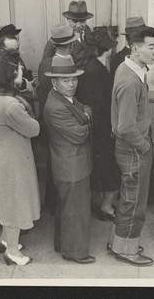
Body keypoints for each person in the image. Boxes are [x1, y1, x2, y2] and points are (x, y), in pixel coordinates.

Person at [0, 51, 41, 266]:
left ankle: (5, 239)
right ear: (8, 76)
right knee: (16, 202)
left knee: (6, 200)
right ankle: (13, 252)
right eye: (18, 70)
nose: (21, 71)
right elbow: (34, 129)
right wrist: (26, 105)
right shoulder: (11, 106)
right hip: (15, 159)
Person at [108, 25, 154, 266]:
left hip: (130, 147)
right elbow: (126, 127)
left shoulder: (129, 68)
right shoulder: (130, 81)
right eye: (152, 46)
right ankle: (126, 249)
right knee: (134, 201)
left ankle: (119, 242)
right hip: (134, 148)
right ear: (136, 48)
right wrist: (145, 146)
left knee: (129, 197)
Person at [43, 54, 95, 264]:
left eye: (74, 79)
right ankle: (75, 252)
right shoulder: (56, 106)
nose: (72, 84)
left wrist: (85, 114)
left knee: (67, 209)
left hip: (71, 163)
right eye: (66, 80)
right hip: (72, 165)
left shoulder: (62, 98)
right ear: (54, 82)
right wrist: (88, 117)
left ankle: (62, 245)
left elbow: (85, 109)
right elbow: (80, 133)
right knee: (77, 210)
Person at [75, 29, 121, 221]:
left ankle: (100, 201)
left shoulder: (90, 66)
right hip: (103, 127)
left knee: (100, 165)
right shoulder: (97, 70)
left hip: (96, 126)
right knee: (109, 166)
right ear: (108, 49)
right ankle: (106, 206)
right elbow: (100, 104)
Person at [37, 22, 80, 215]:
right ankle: (59, 204)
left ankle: (52, 202)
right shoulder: (68, 64)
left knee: (53, 159)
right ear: (71, 44)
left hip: (48, 117)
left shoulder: (45, 63)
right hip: (62, 117)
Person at [42, 0, 95, 69]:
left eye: (82, 21)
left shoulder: (87, 30)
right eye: (74, 21)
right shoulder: (59, 38)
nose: (78, 25)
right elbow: (46, 64)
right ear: (67, 19)